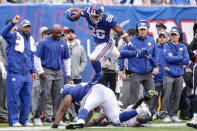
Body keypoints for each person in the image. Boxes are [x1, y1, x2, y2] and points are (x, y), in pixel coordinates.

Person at [65, 3, 134, 84]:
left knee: (93, 57)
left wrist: (129, 43)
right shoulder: (88, 13)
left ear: (102, 14)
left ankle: (99, 73)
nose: (94, 18)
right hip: (100, 42)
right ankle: (136, 53)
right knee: (118, 55)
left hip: (106, 42)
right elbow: (79, 11)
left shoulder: (109, 19)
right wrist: (68, 10)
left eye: (96, 16)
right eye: (92, 15)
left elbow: (121, 32)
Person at [51, 81, 158, 129]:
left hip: (96, 91)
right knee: (116, 119)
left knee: (83, 107)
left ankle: (80, 121)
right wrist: (84, 124)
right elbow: (90, 112)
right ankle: (139, 111)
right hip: (106, 93)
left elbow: (62, 109)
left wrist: (55, 125)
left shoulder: (69, 92)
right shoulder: (79, 91)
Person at [1, 15, 37, 126]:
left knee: (26, 99)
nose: (27, 29)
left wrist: (33, 70)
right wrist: (12, 23)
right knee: (13, 99)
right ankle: (14, 120)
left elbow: (31, 56)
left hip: (26, 74)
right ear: (20, 27)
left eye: (29, 27)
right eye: (25, 27)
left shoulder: (30, 39)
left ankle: (24, 120)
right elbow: (4, 34)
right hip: (14, 72)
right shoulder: (13, 35)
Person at [33, 24, 71, 126]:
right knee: (44, 94)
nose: (59, 35)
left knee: (58, 96)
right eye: (57, 33)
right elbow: (36, 57)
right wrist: (40, 71)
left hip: (59, 71)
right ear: (52, 33)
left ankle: (56, 118)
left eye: (60, 33)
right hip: (47, 70)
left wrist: (68, 73)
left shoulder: (63, 42)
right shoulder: (44, 42)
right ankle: (36, 117)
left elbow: (67, 59)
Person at [119, 20, 159, 112]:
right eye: (141, 29)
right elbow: (121, 55)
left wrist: (156, 66)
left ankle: (149, 115)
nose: (142, 31)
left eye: (144, 29)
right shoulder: (130, 41)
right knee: (134, 97)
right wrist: (121, 69)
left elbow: (155, 55)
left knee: (152, 94)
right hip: (135, 73)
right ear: (138, 29)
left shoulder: (151, 40)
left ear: (147, 29)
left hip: (148, 73)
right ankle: (132, 115)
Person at [161, 26, 189, 123]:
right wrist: (180, 58)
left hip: (179, 75)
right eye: (172, 35)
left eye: (175, 35)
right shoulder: (166, 46)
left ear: (179, 35)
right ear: (170, 36)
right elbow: (168, 59)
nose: (173, 36)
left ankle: (173, 114)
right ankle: (164, 115)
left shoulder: (183, 46)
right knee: (167, 95)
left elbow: (187, 60)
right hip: (168, 74)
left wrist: (175, 58)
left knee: (177, 95)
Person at [0, 19, 16, 123]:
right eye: (12, 26)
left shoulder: (17, 37)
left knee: (9, 93)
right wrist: (2, 67)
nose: (14, 28)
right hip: (4, 68)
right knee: (3, 93)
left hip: (13, 68)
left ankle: (5, 114)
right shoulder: (1, 38)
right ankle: (2, 115)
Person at [151, 32, 169, 113]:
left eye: (163, 37)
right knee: (154, 97)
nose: (161, 38)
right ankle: (152, 113)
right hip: (157, 78)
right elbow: (151, 61)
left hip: (167, 77)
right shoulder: (154, 48)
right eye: (160, 37)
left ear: (167, 38)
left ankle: (164, 114)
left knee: (166, 97)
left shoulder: (170, 48)